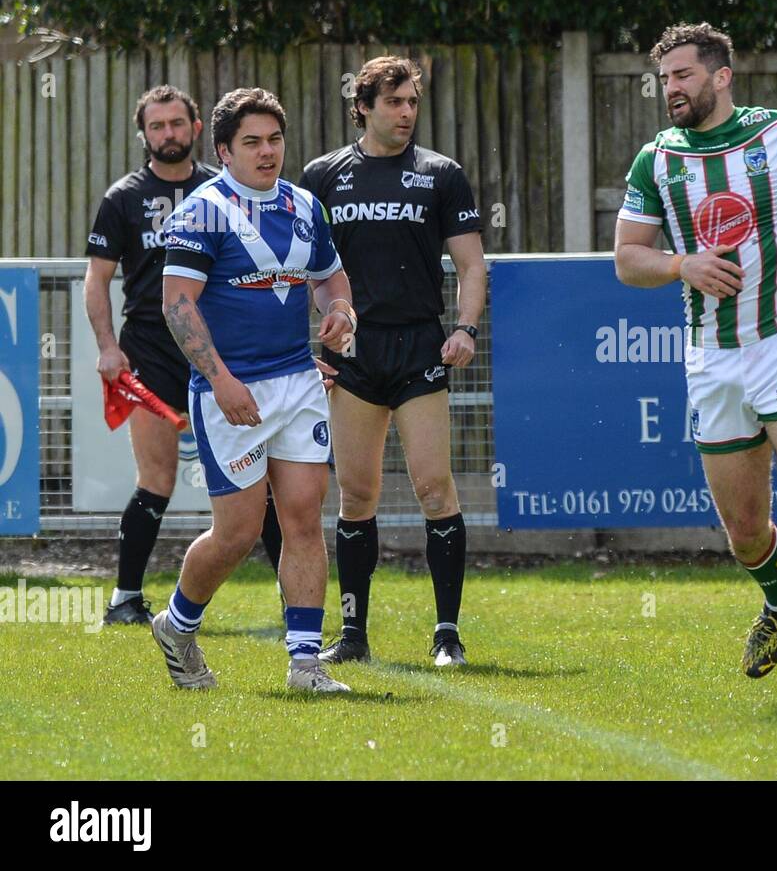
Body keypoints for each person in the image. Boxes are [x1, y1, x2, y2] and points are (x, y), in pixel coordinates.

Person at [613, 22, 777, 714]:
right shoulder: (656, 160)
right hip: (713, 359)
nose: (672, 90)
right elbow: (627, 257)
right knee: (746, 529)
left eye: (684, 75)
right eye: (665, 79)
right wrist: (679, 263)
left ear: (722, 76)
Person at [151, 87, 357, 692]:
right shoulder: (201, 212)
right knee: (238, 534)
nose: (267, 152)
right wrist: (221, 381)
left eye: (274, 139)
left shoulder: (304, 205)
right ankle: (178, 624)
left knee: (302, 518)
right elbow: (176, 306)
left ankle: (305, 665)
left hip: (299, 383)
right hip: (229, 392)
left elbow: (329, 278)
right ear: (223, 150)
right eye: (252, 142)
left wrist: (341, 310)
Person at [299, 57, 486, 667]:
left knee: (435, 488)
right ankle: (352, 636)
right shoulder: (322, 176)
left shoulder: (440, 174)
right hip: (352, 350)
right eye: (395, 102)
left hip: (417, 345)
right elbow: (306, 272)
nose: (407, 113)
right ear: (364, 107)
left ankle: (447, 635)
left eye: (412, 102)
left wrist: (464, 328)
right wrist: (316, 347)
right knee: (356, 495)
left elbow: (472, 265)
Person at [85, 85, 282, 626]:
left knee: (260, 480)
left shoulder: (228, 193)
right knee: (156, 480)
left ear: (199, 130)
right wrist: (107, 347)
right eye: (157, 125)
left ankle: (297, 603)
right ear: (144, 134)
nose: (167, 133)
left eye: (177, 123)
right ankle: (126, 599)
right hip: (149, 351)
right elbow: (96, 281)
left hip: (224, 354)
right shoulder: (122, 198)